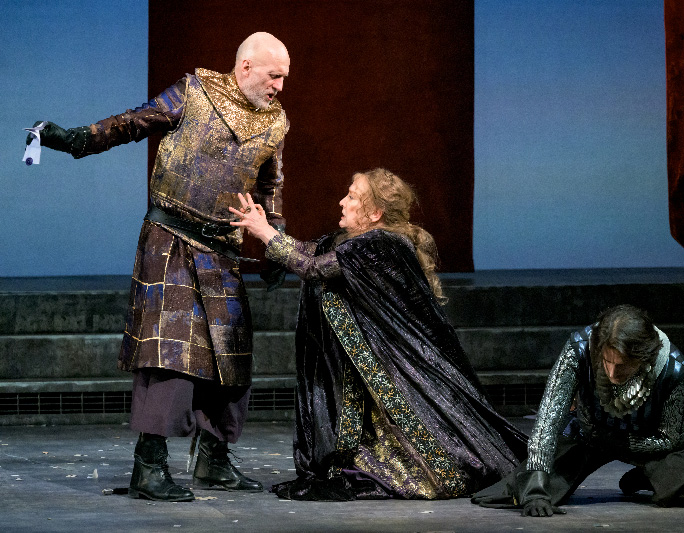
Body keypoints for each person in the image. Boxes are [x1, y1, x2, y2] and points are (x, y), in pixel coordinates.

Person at [29, 32, 291, 501]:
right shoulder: (194, 91)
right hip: (170, 239)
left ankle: (213, 462)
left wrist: (274, 242)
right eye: (275, 75)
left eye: (285, 78)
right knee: (168, 352)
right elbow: (135, 122)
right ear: (246, 67)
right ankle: (148, 468)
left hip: (223, 251)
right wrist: (77, 140)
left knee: (230, 355)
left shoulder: (276, 123)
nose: (280, 86)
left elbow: (269, 188)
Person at [229, 168, 528, 500]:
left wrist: (264, 233)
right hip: (372, 360)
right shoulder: (354, 242)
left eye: (353, 197)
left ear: (375, 214)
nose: (342, 202)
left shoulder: (382, 244)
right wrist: (266, 229)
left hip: (398, 358)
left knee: (434, 441)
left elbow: (313, 269)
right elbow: (311, 253)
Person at [472, 304, 684, 516]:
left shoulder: (673, 368)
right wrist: (536, 487)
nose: (612, 373)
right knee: (529, 490)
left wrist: (622, 444)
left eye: (622, 365)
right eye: (607, 362)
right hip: (588, 435)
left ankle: (645, 476)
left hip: (646, 441)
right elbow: (550, 417)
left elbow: (673, 438)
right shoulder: (579, 349)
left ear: (643, 358)